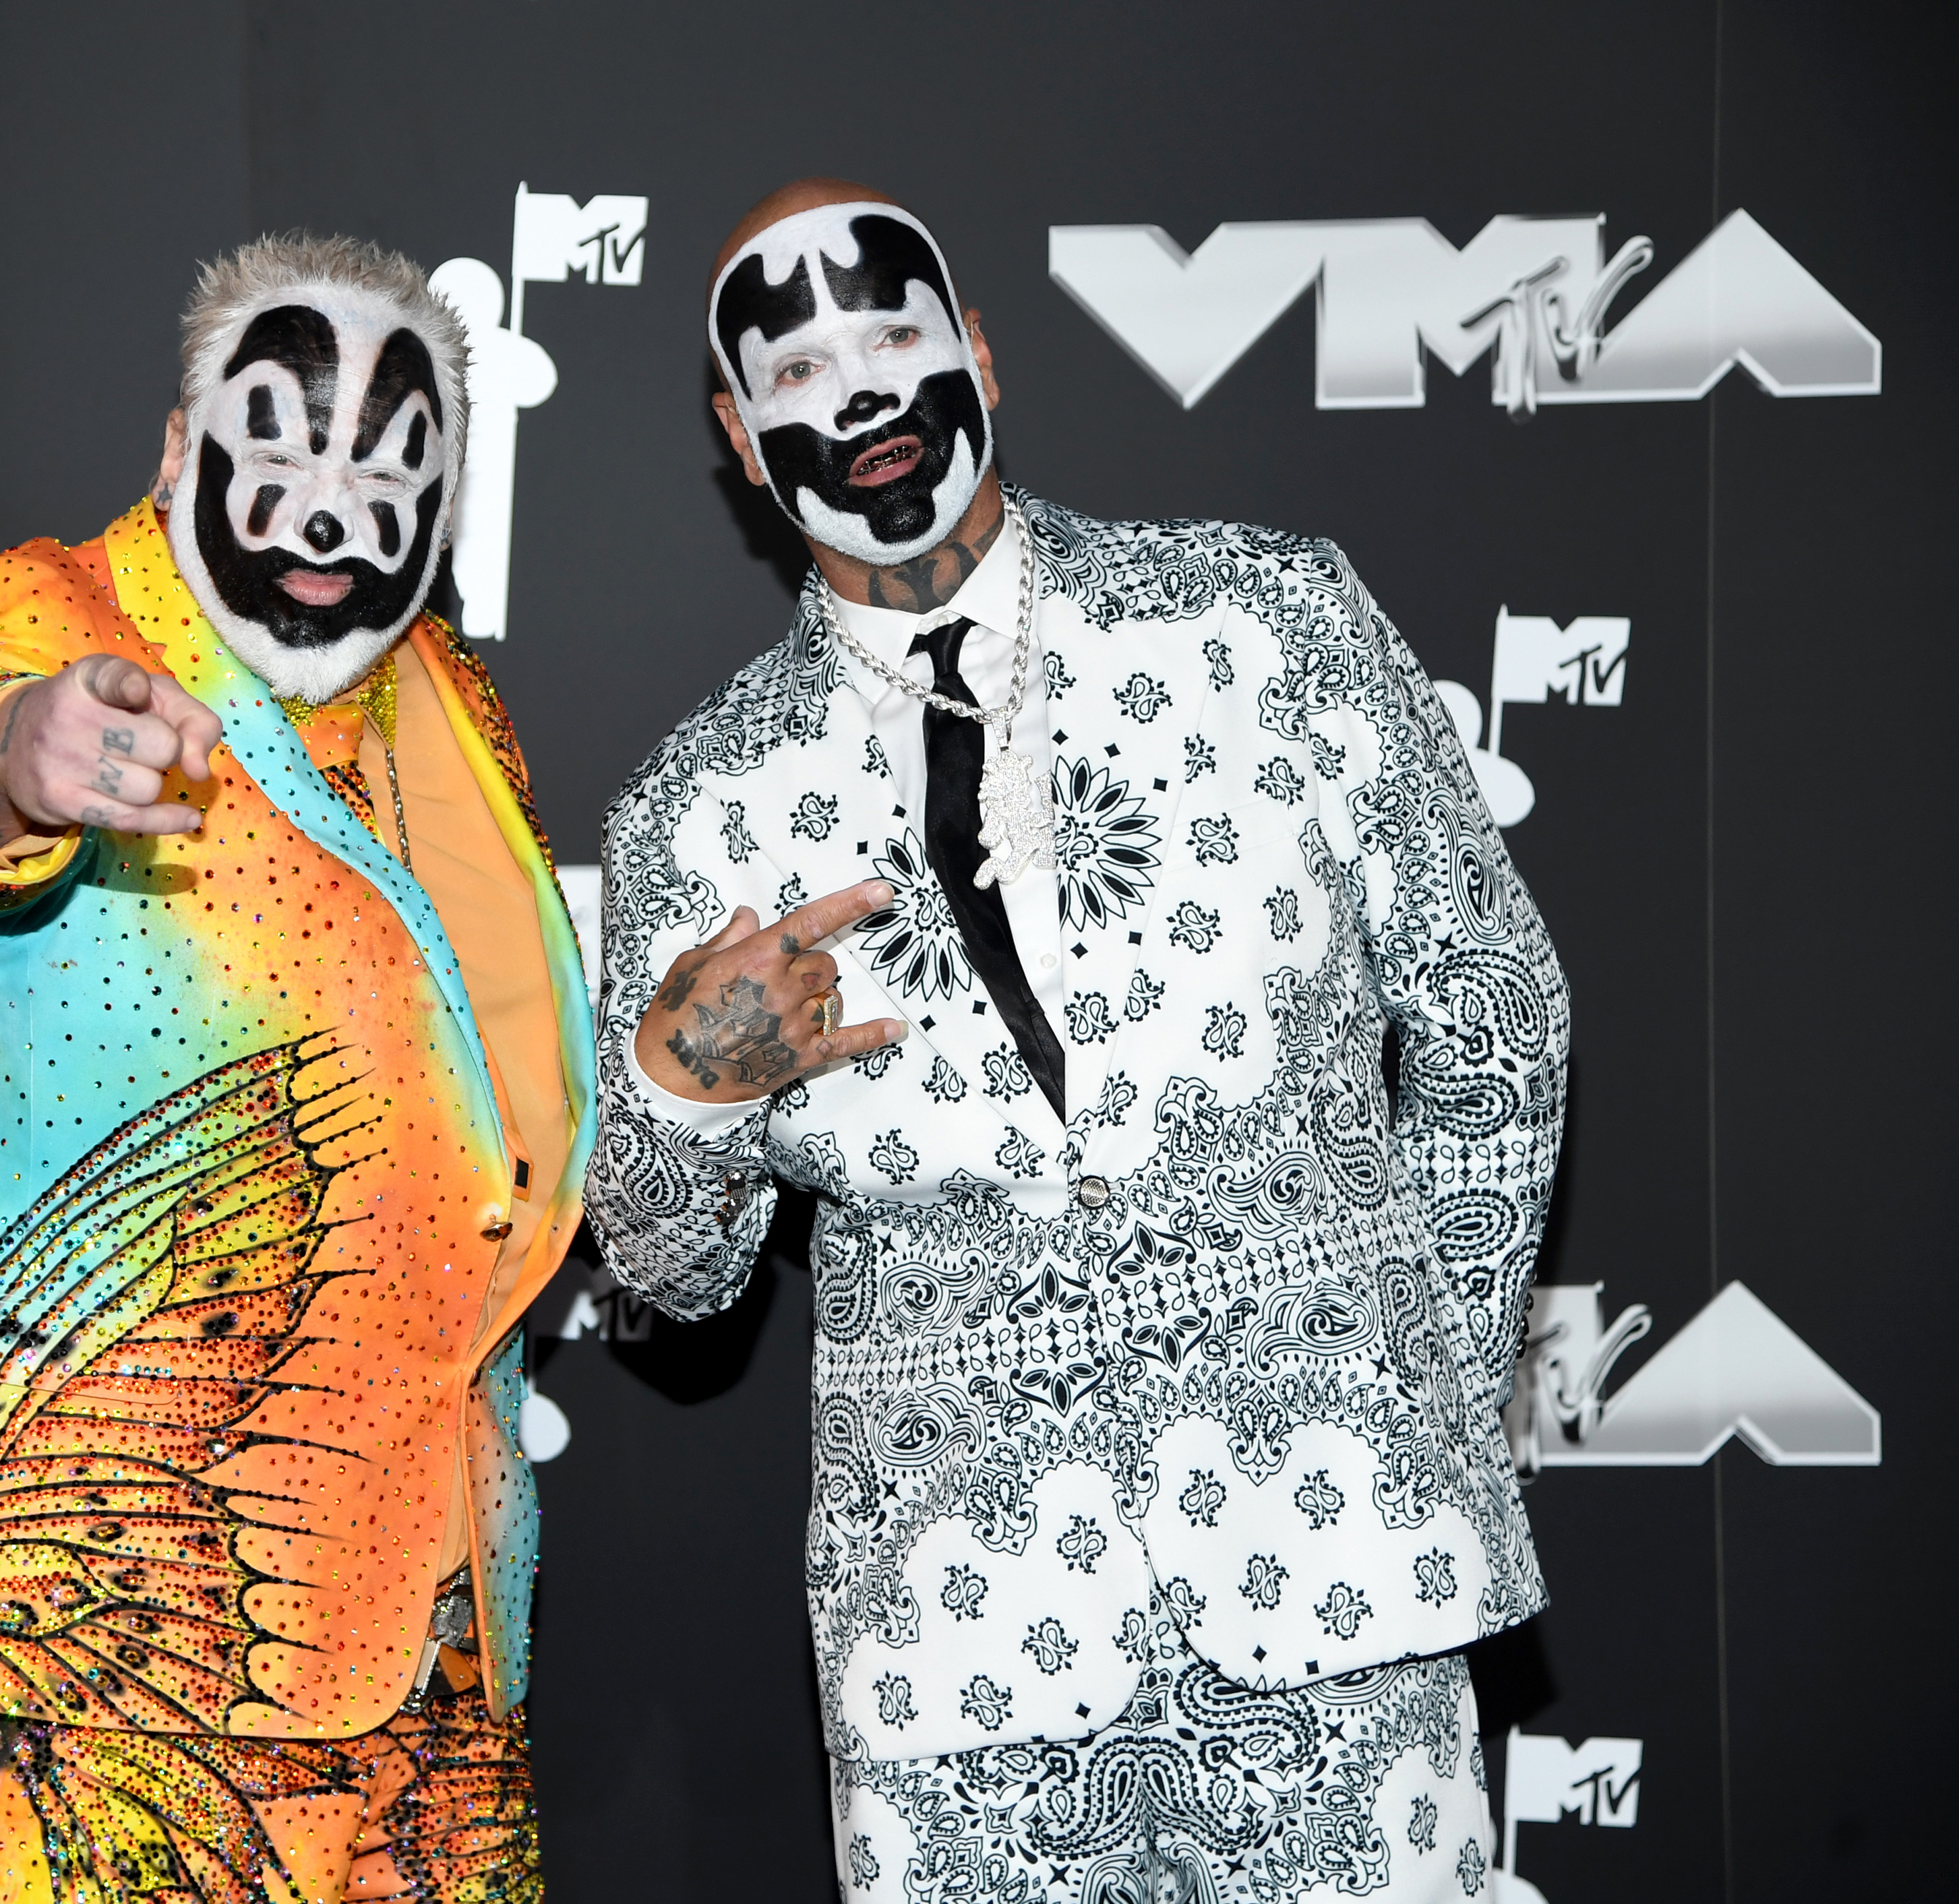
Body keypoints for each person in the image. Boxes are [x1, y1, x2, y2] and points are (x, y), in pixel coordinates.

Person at [586, 181, 1569, 1902]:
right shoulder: (700, 807)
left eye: (893, 333)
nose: (861, 391)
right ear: (740, 440)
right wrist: (680, 1096)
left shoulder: (1261, 621)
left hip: (1342, 1562)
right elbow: (671, 1277)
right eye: (797, 369)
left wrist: (1421, 1384)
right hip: (959, 1651)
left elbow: (1492, 1008)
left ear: (976, 354)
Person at [0, 233, 593, 1904]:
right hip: (92, 1631)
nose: (332, 513)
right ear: (177, 446)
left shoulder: (456, 705)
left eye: (387, 467)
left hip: (428, 1627)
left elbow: (484, 1092)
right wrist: (22, 758)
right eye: (283, 448)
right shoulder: (35, 615)